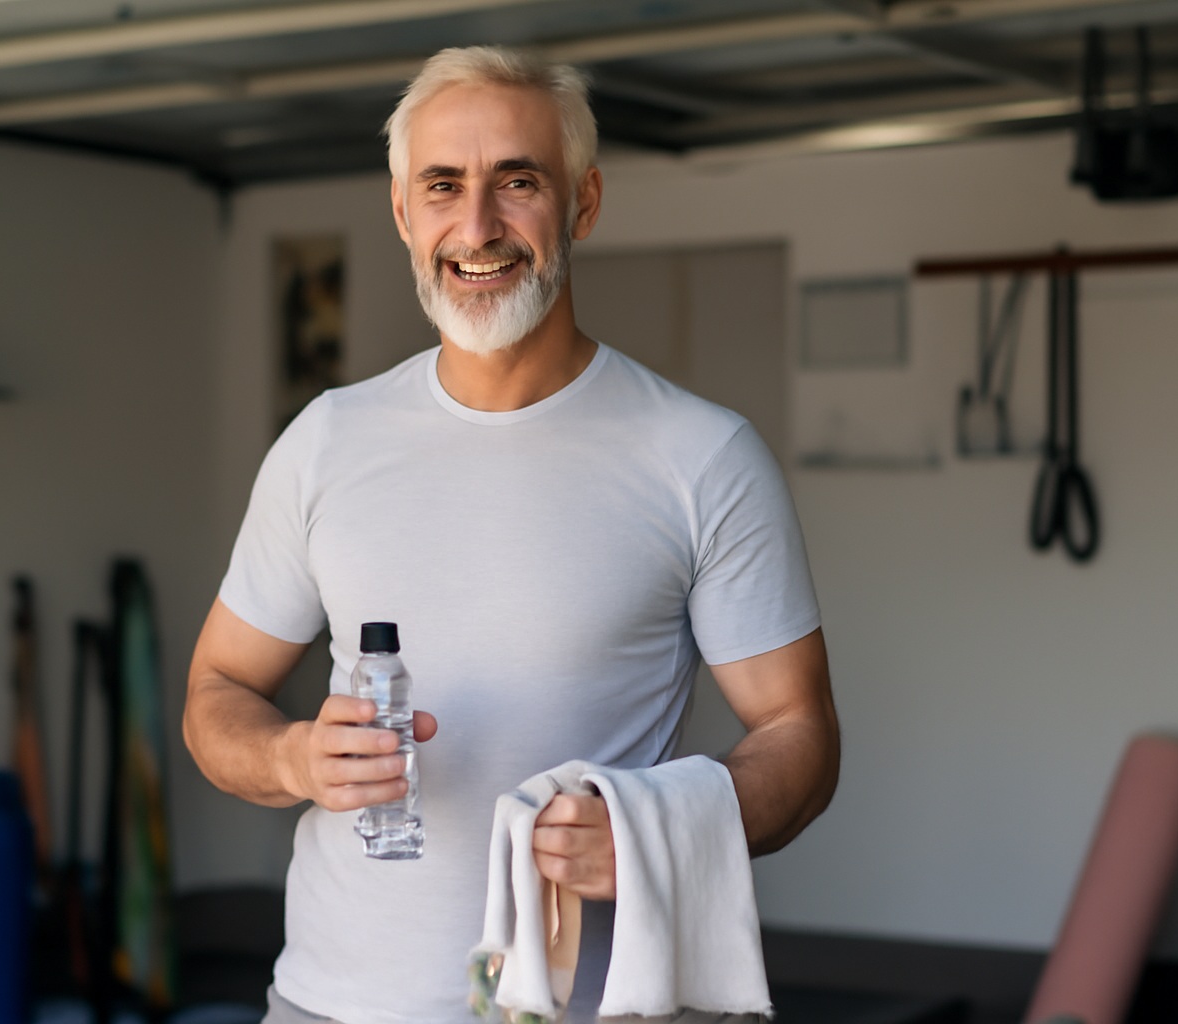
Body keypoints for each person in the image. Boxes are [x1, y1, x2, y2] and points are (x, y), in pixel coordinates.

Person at [183, 45, 841, 1024]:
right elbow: (215, 691)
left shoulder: (701, 456)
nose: (478, 226)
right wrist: (289, 759)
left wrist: (655, 830)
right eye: (443, 186)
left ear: (583, 203)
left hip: (589, 1004)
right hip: (334, 1003)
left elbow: (801, 733)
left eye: (517, 183)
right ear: (405, 212)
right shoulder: (324, 441)